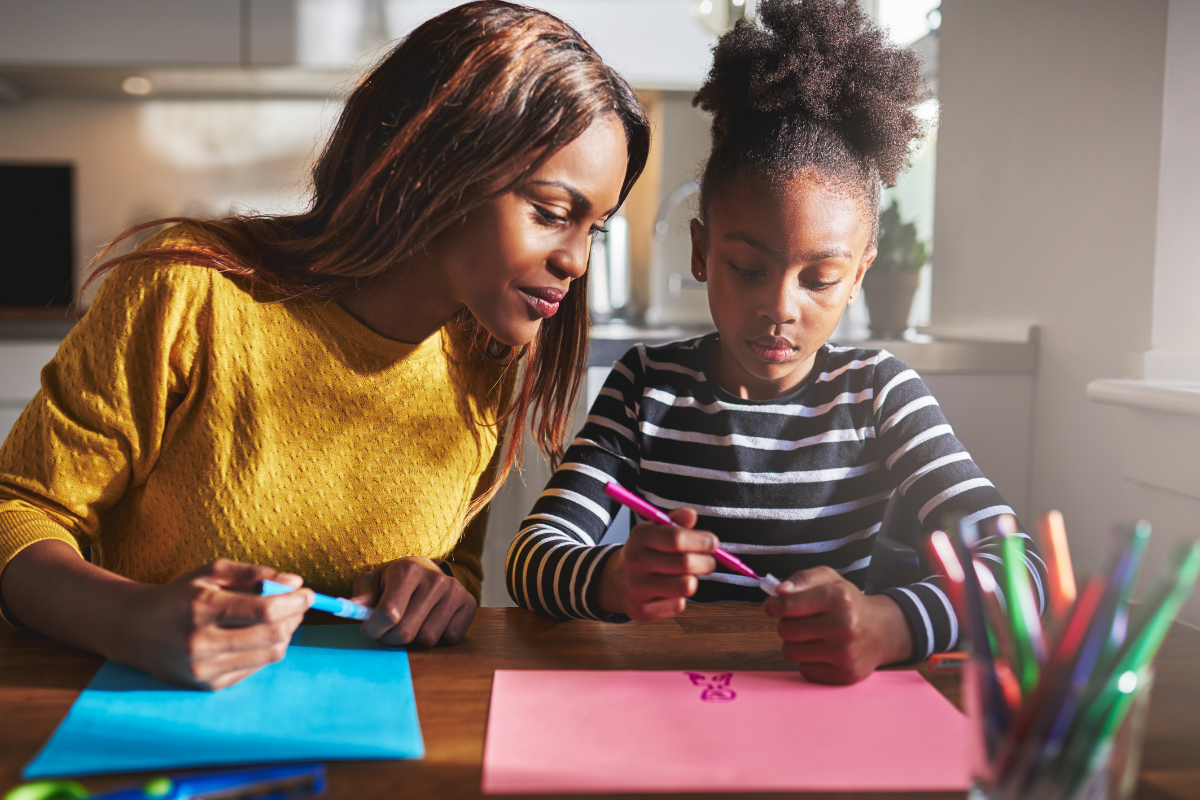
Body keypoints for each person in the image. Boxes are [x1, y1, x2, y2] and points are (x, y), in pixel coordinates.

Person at [0, 1, 649, 690]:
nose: (576, 260)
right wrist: (130, 620)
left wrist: (433, 590)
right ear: (441, 168)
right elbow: (17, 512)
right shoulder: (189, 292)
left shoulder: (486, 358)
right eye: (552, 213)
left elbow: (455, 569)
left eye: (595, 228)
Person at [506, 0, 1046, 685]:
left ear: (859, 276)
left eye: (820, 277)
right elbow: (530, 557)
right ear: (702, 250)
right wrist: (610, 576)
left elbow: (1023, 574)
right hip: (675, 711)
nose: (780, 308)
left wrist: (890, 625)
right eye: (748, 268)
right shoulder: (647, 386)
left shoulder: (880, 395)